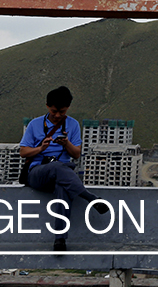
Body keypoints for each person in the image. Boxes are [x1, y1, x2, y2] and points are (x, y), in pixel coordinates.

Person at [19, 86, 106, 252]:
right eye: (54, 112)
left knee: (63, 187)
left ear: (68, 109)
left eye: (62, 112)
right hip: (38, 172)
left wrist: (67, 144)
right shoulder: (34, 124)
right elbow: (23, 152)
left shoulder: (72, 125)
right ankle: (90, 198)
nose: (58, 115)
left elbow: (77, 154)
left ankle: (60, 240)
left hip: (63, 172)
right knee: (58, 168)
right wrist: (40, 149)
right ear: (47, 106)